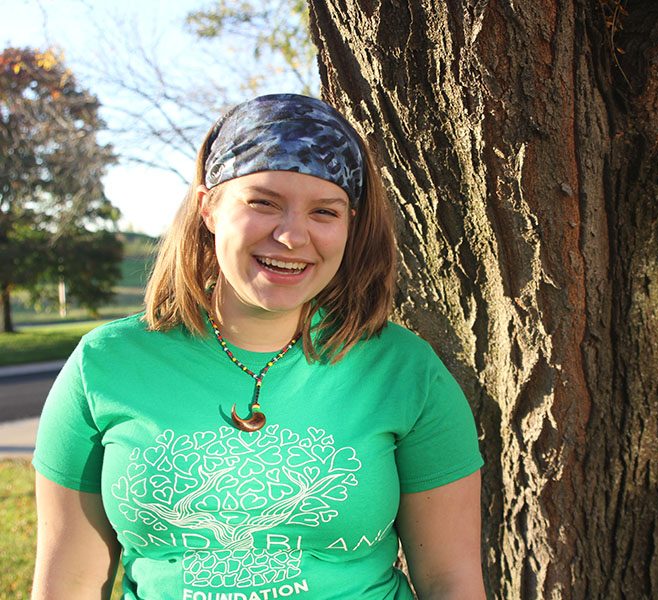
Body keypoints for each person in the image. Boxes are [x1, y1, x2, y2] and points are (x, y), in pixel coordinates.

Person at [31, 93, 486, 600]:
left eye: (324, 211)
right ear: (208, 208)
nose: (293, 236)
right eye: (263, 202)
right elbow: (67, 583)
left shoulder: (403, 370)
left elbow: (452, 580)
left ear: (349, 226)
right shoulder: (105, 366)